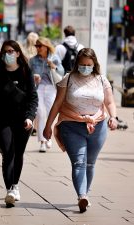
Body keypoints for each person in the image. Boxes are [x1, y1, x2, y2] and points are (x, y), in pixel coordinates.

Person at [43, 48, 118, 213]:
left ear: (94, 64)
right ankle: (81, 195)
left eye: (89, 65)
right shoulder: (68, 79)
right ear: (77, 63)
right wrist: (48, 126)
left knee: (90, 163)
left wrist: (113, 117)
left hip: (97, 126)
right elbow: (57, 104)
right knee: (78, 162)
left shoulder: (101, 80)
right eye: (82, 64)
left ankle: (86, 193)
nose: (85, 67)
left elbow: (110, 102)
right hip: (71, 125)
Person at [0, 40, 38, 207]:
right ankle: (10, 190)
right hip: (1, 119)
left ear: (18, 53)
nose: (8, 54)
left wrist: (30, 117)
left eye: (11, 51)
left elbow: (32, 98)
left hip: (22, 120)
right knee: (7, 152)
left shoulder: (26, 71)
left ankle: (15, 185)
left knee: (18, 153)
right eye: (5, 51)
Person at [29, 37, 64, 152]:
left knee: (49, 112)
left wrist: (53, 66)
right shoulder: (33, 60)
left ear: (46, 46)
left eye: (40, 46)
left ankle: (48, 135)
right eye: (36, 46)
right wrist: (34, 77)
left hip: (51, 87)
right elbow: (28, 75)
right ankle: (42, 141)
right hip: (38, 88)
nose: (37, 48)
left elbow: (62, 72)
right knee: (39, 113)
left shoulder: (54, 58)